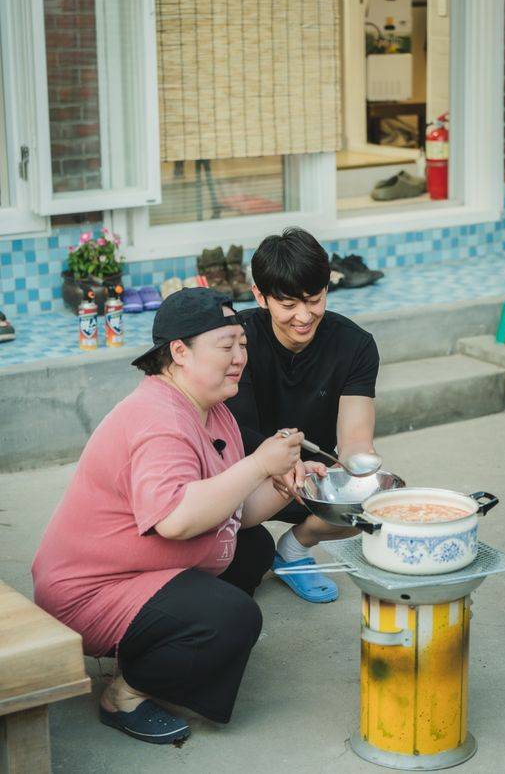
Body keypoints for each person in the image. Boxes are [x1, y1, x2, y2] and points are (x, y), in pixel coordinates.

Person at [32, 288, 324, 745]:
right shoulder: (158, 418)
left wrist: (292, 485)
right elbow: (175, 519)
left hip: (138, 568)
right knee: (233, 618)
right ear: (180, 352)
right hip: (90, 592)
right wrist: (258, 465)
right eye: (225, 346)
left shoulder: (210, 408)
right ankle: (125, 694)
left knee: (252, 547)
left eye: (242, 344)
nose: (239, 358)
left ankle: (159, 646)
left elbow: (238, 514)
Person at [226, 228, 380, 604]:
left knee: (370, 501)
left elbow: (355, 440)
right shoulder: (236, 341)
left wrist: (362, 472)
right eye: (288, 304)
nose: (304, 316)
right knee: (242, 563)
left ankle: (294, 548)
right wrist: (273, 460)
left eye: (314, 299)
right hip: (240, 471)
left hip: (309, 478)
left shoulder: (355, 345)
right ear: (260, 296)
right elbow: (229, 431)